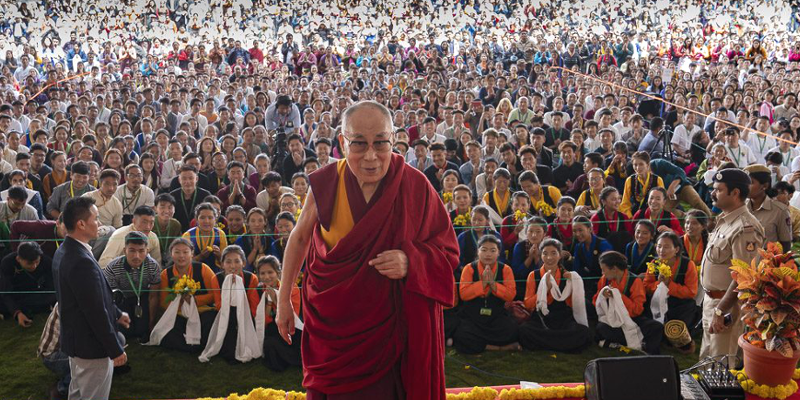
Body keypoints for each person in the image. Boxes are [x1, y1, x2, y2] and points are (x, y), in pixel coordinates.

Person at [276, 101, 458, 400]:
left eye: (381, 143)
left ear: (394, 139)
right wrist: (284, 299)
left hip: (393, 332)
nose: (371, 156)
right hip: (336, 328)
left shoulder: (415, 185)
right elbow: (298, 239)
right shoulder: (326, 182)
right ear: (342, 142)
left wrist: (411, 261)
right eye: (359, 144)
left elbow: (447, 250)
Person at [52, 196, 128, 400]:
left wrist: (117, 313)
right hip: (91, 345)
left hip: (76, 340)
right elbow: (94, 311)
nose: (100, 223)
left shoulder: (66, 249)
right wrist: (115, 349)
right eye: (96, 218)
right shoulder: (79, 260)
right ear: (81, 224)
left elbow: (90, 296)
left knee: (77, 392)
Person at [701, 169, 765, 364]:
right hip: (712, 302)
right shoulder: (726, 219)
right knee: (706, 360)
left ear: (735, 193)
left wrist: (720, 311)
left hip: (725, 307)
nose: (713, 193)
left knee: (720, 365)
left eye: (719, 190)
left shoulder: (746, 227)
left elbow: (744, 276)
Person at [518, 238, 590, 352]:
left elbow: (573, 304)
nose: (549, 258)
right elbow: (528, 304)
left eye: (553, 253)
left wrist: (574, 284)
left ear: (560, 255)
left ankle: (544, 344)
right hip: (542, 318)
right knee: (524, 330)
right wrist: (544, 290)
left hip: (562, 318)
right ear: (540, 255)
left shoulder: (567, 275)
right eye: (545, 253)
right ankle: (564, 345)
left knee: (582, 331)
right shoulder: (534, 275)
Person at [453, 235, 519, 354]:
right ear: (478, 251)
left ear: (499, 253)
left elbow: (510, 295)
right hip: (473, 317)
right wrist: (482, 284)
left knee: (512, 330)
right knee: (462, 334)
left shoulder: (505, 269)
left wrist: (493, 285)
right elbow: (463, 294)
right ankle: (497, 347)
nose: (488, 254)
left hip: (496, 316)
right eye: (484, 250)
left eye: (493, 250)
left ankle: (482, 345)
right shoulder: (469, 268)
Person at [594, 251, 663, 355]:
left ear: (614, 269)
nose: (602, 273)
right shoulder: (605, 280)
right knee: (601, 328)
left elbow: (637, 310)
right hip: (613, 319)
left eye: (603, 270)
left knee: (656, 327)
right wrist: (602, 295)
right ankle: (638, 342)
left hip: (632, 319)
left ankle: (643, 348)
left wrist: (619, 296)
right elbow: (596, 300)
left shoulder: (635, 281)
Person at [201, 245, 260, 363]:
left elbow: (252, 303)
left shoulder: (251, 278)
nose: (233, 266)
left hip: (244, 313)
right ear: (222, 264)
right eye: (228, 262)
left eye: (237, 261)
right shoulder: (216, 279)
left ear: (243, 263)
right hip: (225, 313)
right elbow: (218, 304)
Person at [643, 232, 699, 353]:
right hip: (658, 302)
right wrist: (659, 284)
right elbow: (646, 287)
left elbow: (691, 292)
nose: (661, 250)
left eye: (667, 247)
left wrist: (670, 285)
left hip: (681, 305)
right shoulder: (654, 264)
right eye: (659, 246)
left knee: (677, 332)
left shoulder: (688, 265)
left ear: (676, 249)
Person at [103, 231, 161, 342]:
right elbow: (110, 297)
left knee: (142, 331)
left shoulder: (153, 266)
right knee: (126, 330)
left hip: (143, 297)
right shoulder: (112, 267)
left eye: (141, 251)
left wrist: (151, 322)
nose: (136, 256)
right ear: (125, 251)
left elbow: (154, 295)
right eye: (132, 251)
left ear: (147, 251)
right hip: (122, 299)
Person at [256, 255, 302, 371]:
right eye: (262, 273)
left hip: (291, 329)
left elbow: (293, 317)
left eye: (270, 272)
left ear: (278, 273)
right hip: (272, 329)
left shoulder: (292, 288)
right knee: (270, 342)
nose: (266, 277)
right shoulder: (257, 290)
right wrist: (268, 302)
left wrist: (276, 300)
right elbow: (263, 321)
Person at [0, 242, 54, 327]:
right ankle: (37, 308)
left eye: (37, 262)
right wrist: (18, 313)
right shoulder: (7, 263)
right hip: (15, 293)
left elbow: (52, 287)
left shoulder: (46, 261)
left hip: (35, 292)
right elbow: (6, 291)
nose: (34, 266)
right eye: (29, 263)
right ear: (18, 259)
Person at [744, 164, 792, 251]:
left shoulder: (780, 211)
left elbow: (786, 244)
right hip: (741, 261)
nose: (745, 186)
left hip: (766, 262)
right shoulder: (741, 208)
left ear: (765, 186)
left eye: (750, 183)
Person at [571, 216, 613, 305]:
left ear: (589, 229)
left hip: (606, 285)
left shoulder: (603, 244)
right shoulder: (578, 247)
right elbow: (577, 270)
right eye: (574, 231)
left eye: (580, 230)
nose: (577, 234)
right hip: (588, 286)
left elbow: (611, 270)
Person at [183, 202, 228, 273]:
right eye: (202, 218)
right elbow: (183, 262)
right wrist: (200, 257)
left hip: (215, 273)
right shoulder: (188, 235)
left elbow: (226, 262)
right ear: (197, 219)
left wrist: (219, 255)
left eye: (210, 218)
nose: (206, 221)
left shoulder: (220, 234)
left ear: (215, 219)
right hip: (193, 273)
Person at [510, 216, 547, 301]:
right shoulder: (520, 246)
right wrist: (530, 258)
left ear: (544, 233)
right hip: (523, 285)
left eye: (538, 232)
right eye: (530, 231)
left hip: (543, 285)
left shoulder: (548, 247)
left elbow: (547, 274)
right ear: (526, 232)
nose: (534, 235)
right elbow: (516, 274)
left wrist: (537, 258)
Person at [620, 152, 664, 217]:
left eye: (641, 164)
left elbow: (662, 202)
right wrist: (630, 218)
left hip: (653, 214)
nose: (638, 168)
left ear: (648, 165)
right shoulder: (630, 180)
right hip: (634, 214)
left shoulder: (657, 180)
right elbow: (625, 203)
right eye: (635, 165)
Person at [590, 186, 633, 252]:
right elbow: (592, 240)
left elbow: (630, 237)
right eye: (613, 199)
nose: (617, 202)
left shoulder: (624, 217)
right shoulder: (596, 218)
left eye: (618, 199)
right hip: (603, 253)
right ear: (603, 201)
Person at [171, 165, 212, 231]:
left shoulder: (205, 195)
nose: (187, 182)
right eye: (184, 178)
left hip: (200, 231)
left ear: (196, 179)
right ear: (179, 180)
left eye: (191, 178)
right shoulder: (173, 196)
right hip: (178, 232)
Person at [236, 208, 273, 273]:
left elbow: (273, 265)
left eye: (260, 221)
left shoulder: (270, 240)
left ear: (265, 222)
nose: (257, 224)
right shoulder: (240, 240)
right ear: (247, 223)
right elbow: (242, 266)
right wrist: (255, 249)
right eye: (253, 221)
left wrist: (261, 251)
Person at [153, 193, 182, 264]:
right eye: (162, 207)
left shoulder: (176, 224)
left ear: (174, 209)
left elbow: (177, 245)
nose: (166, 211)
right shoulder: (150, 223)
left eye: (170, 207)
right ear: (155, 209)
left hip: (170, 256)